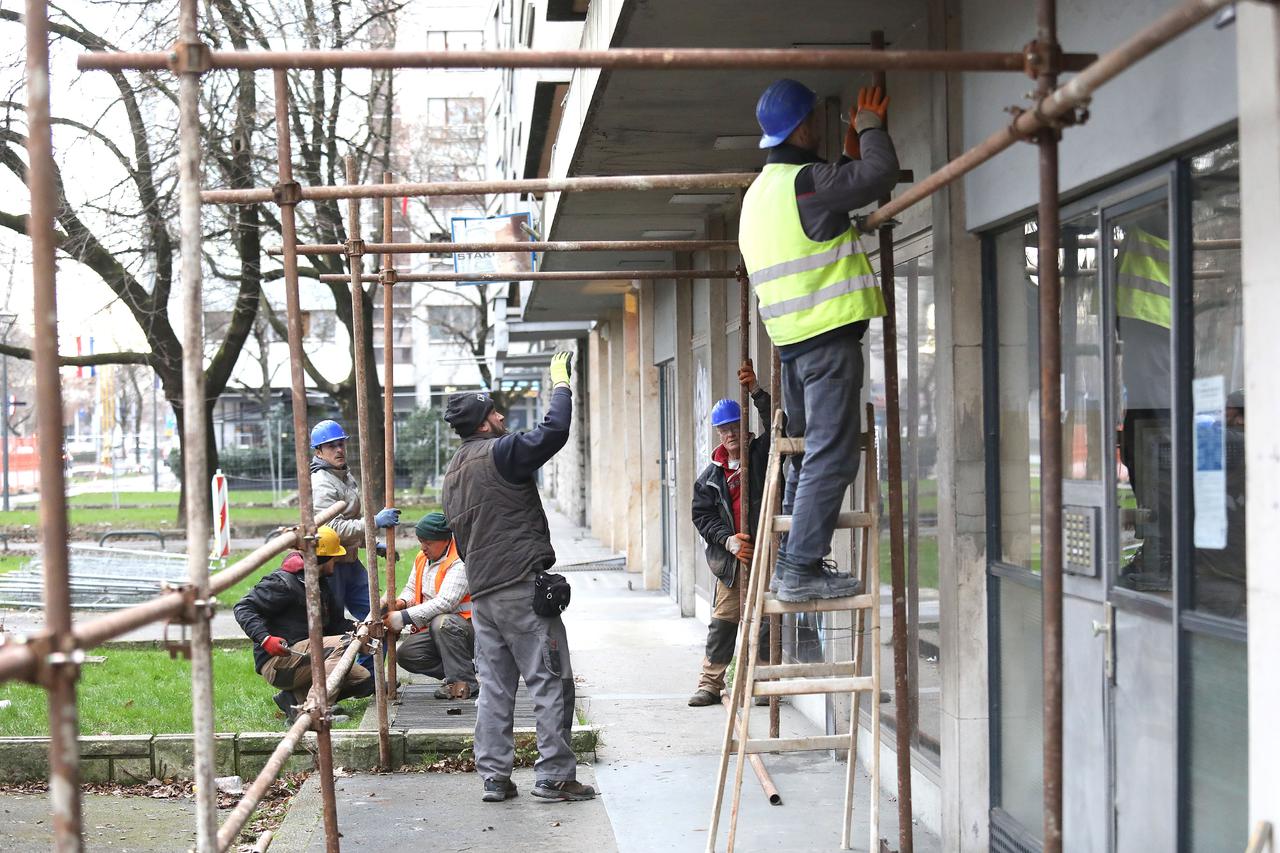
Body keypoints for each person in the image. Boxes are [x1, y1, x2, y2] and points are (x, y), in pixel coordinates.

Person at [738, 79, 899, 602]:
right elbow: (879, 175)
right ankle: (800, 567)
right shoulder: (807, 183)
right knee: (832, 456)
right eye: (816, 120)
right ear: (802, 127)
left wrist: (847, 151)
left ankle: (792, 558)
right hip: (828, 342)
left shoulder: (759, 195)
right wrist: (869, 127)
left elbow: (826, 208)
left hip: (792, 348)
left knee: (807, 455)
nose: (821, 128)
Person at [441, 351, 596, 804]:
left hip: (484, 596)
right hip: (520, 590)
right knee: (550, 679)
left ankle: (494, 777)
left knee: (494, 688)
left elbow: (462, 540)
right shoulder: (501, 453)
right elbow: (554, 431)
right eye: (495, 413)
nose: (502, 418)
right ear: (483, 423)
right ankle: (554, 777)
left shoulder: (452, 474)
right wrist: (561, 385)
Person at [689, 362, 774, 708]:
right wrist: (729, 540)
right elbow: (702, 517)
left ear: (744, 425)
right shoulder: (710, 477)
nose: (730, 434)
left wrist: (756, 391)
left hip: (766, 551)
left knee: (766, 618)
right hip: (732, 561)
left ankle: (763, 681)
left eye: (734, 426)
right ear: (718, 434)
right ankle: (710, 684)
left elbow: (781, 426)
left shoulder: (761, 455)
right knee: (724, 621)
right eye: (723, 429)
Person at [232, 525, 373, 722]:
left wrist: (361, 629)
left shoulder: (320, 583)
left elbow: (335, 624)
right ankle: (316, 711)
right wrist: (265, 639)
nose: (338, 561)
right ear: (325, 557)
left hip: (305, 656)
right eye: (335, 557)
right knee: (345, 644)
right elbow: (243, 607)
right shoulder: (283, 583)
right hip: (280, 661)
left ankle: (294, 700)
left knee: (363, 680)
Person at [1114, 212, 1173, 591]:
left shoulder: (1156, 212)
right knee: (1138, 441)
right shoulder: (1148, 223)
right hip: (1144, 329)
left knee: (1154, 444)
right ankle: (1158, 547)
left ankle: (1164, 551)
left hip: (1153, 324)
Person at [308, 419, 401, 621]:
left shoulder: (344, 476)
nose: (339, 450)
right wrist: (374, 522)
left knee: (377, 617)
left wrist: (372, 543)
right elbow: (333, 529)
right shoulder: (322, 483)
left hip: (349, 561)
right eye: (331, 446)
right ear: (319, 452)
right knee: (332, 625)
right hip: (330, 565)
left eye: (341, 444)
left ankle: (370, 643)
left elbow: (351, 519)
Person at [383, 511, 479, 700]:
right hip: (439, 630)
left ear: (445, 540)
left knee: (443, 622)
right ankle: (462, 671)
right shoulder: (422, 557)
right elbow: (412, 588)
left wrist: (403, 617)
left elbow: (445, 602)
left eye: (428, 542)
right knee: (408, 654)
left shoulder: (460, 560)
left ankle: (463, 683)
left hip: (471, 630)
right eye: (421, 541)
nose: (423, 547)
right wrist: (402, 602)